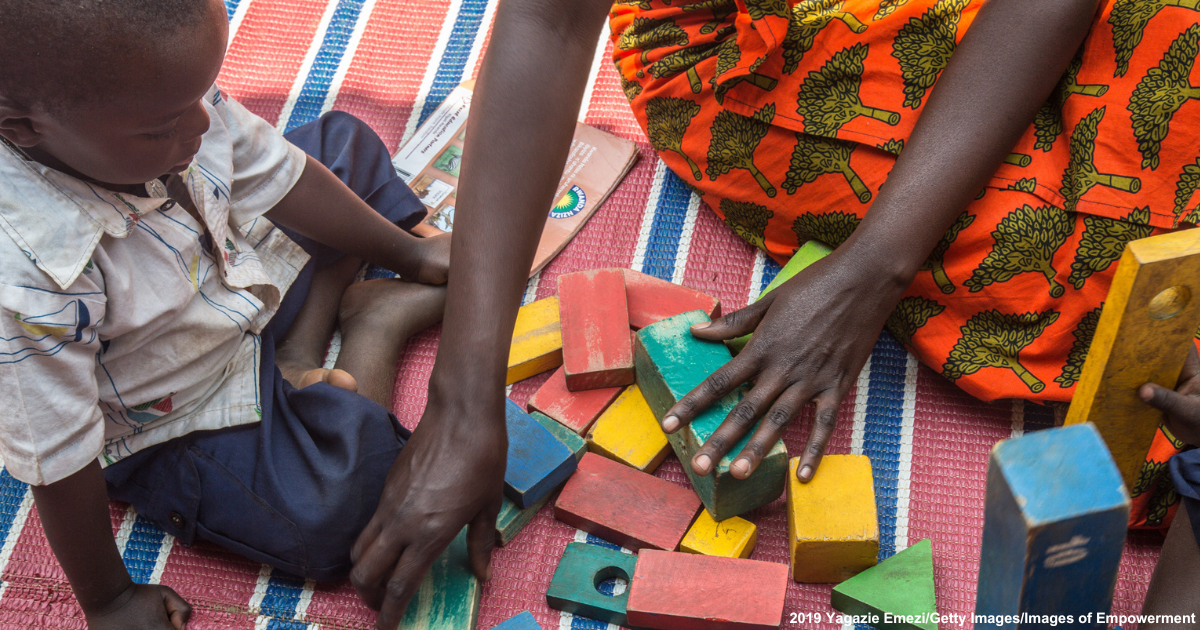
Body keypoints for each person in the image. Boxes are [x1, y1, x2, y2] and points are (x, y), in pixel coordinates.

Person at [423, 0, 1200, 625]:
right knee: (1054, 249)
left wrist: (870, 269)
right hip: (769, 47)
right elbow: (548, 18)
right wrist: (461, 402)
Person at [0, 1, 454, 628]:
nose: (199, 124)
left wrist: (408, 252)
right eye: (161, 127)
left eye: (203, 93)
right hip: (175, 405)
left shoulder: (153, 100)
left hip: (233, 275)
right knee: (342, 509)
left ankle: (305, 343)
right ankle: (375, 327)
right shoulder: (25, 276)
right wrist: (108, 600)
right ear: (22, 129)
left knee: (345, 145)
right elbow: (54, 450)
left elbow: (276, 171)